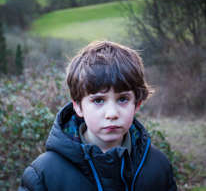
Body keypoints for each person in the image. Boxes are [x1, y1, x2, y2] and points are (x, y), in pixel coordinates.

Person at [19, 40, 177, 191]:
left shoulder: (158, 165)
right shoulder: (43, 174)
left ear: (136, 104)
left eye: (122, 99)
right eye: (99, 100)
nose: (112, 114)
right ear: (78, 106)